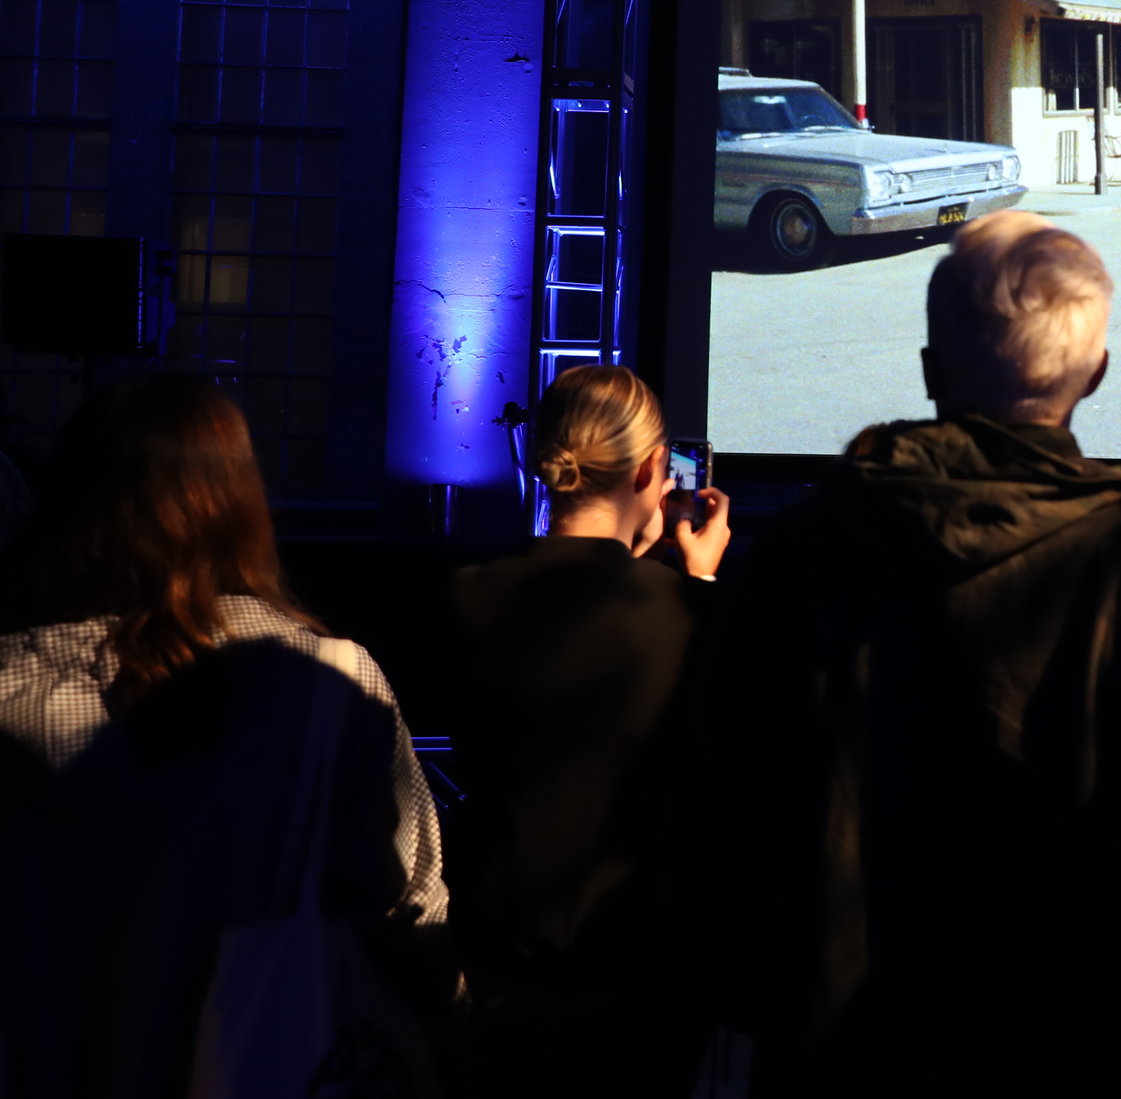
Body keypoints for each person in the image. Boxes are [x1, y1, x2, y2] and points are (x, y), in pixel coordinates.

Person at [699, 212, 1121, 1096]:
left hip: (841, 1055)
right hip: (1080, 1044)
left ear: (932, 369)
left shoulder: (796, 553)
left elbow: (718, 825)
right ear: (1094, 374)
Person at [0, 373, 454, 1095]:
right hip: (278, 1058)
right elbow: (414, 906)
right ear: (242, 503)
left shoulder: (11, 684)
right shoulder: (334, 681)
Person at [442, 363, 734, 1098]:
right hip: (637, 976)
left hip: (496, 965)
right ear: (647, 469)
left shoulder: (466, 596)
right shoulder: (685, 615)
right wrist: (698, 586)